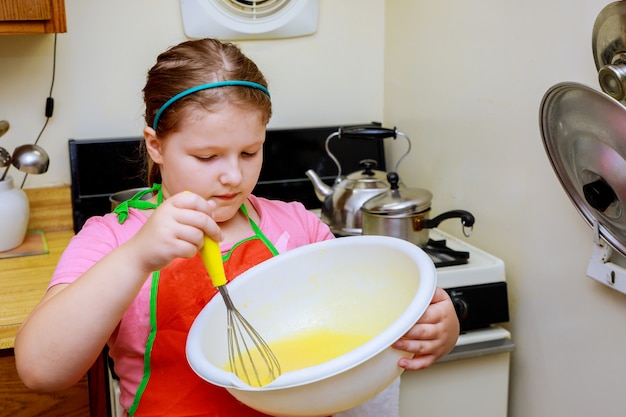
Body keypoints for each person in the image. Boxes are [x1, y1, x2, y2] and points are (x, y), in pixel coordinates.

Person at [14, 38, 459, 416]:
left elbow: (370, 325)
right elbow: (41, 372)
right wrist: (136, 258)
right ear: (156, 146)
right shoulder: (113, 240)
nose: (233, 176)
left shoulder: (296, 227)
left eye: (250, 152)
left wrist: (439, 327)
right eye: (207, 157)